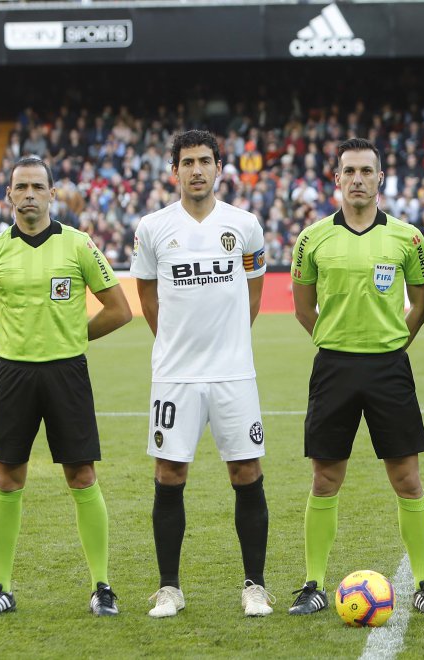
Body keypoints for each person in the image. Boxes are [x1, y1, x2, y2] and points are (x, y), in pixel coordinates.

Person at [0, 156, 132, 618]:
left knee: (82, 476)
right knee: (8, 478)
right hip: (13, 375)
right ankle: (0, 588)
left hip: (67, 373)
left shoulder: (79, 245)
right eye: (20, 187)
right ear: (8, 195)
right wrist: (3, 342)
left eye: (37, 186)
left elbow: (119, 309)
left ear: (53, 194)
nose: (29, 194)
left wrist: (73, 337)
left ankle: (102, 587)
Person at [288, 138, 424, 616]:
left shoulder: (408, 237)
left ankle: (423, 583)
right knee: (325, 477)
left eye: (366, 171)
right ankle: (313, 583)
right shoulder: (312, 238)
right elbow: (302, 306)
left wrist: (397, 342)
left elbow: (421, 300)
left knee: (407, 478)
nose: (357, 179)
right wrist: (334, 338)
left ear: (381, 178)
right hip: (334, 366)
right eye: (349, 171)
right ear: (336, 179)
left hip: (388, 366)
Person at [131, 130, 273, 618]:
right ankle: (169, 587)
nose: (196, 169)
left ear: (219, 168)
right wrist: (172, 340)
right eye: (187, 161)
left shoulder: (245, 224)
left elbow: (254, 289)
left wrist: (232, 337)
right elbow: (147, 295)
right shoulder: (152, 227)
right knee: (169, 473)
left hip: (234, 373)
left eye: (205, 161)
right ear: (175, 171)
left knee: (246, 471)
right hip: (176, 375)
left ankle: (254, 585)